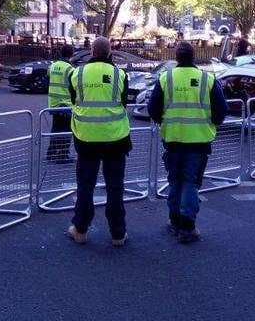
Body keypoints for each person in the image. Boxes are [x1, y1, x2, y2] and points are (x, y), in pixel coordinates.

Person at [147, 42, 227, 243]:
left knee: (175, 181)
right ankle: (187, 226)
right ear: (194, 57)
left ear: (177, 57)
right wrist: (212, 122)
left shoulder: (166, 78)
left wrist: (164, 121)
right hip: (198, 141)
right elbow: (220, 112)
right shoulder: (207, 79)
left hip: (173, 140)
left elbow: (153, 108)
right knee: (191, 182)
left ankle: (174, 220)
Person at [66, 36, 131, 247]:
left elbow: (74, 98)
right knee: (115, 188)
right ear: (110, 52)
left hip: (86, 139)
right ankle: (118, 235)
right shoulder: (120, 74)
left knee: (85, 186)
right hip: (115, 138)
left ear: (92, 52)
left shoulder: (77, 73)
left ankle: (80, 230)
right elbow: (123, 101)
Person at [46, 44, 74, 163]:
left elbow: (48, 78)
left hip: (53, 104)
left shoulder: (52, 66)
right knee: (66, 131)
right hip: (66, 105)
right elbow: (74, 87)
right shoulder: (70, 69)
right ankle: (62, 155)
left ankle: (51, 153)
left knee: (56, 128)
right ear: (71, 55)